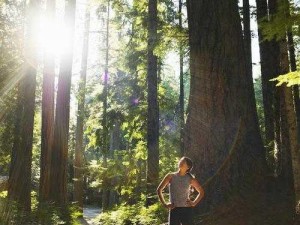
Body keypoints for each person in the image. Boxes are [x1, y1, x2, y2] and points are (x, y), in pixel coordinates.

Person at [157, 156, 204, 225]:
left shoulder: (190, 178)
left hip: (187, 210)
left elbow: (201, 192)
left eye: (183, 162)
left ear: (188, 167)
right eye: (181, 161)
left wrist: (194, 203)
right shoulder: (170, 176)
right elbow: (159, 189)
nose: (181, 162)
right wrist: (165, 204)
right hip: (174, 209)